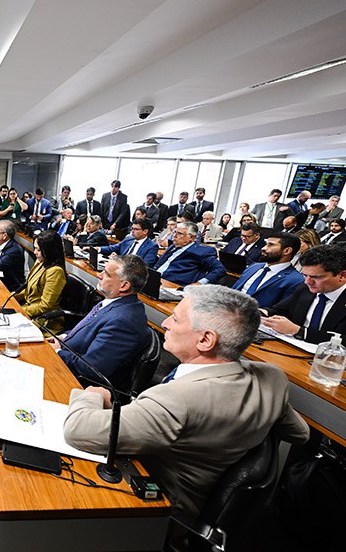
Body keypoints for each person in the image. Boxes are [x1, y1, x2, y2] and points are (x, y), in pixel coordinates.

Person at [63, 285, 309, 524]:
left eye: (176, 319)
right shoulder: (273, 378)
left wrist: (94, 396)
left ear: (205, 340)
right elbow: (300, 433)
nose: (165, 323)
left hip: (162, 512)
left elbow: (78, 430)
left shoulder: (178, 400)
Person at [52, 255, 151, 392]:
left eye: (106, 274)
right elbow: (85, 330)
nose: (99, 275)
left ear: (124, 285)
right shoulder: (114, 302)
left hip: (78, 383)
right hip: (68, 357)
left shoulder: (123, 321)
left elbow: (91, 369)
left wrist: (57, 351)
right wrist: (62, 338)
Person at [263, 245, 346, 346]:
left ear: (343, 275)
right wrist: (257, 313)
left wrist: (301, 332)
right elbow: (280, 310)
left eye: (316, 277)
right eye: (305, 275)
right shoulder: (306, 288)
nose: (307, 281)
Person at [15, 230, 67, 334]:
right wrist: (11, 298)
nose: (35, 252)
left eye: (38, 250)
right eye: (35, 248)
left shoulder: (55, 271)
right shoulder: (40, 262)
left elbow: (45, 306)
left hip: (44, 320)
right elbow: (28, 288)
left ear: (49, 251)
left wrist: (21, 311)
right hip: (29, 310)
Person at [232, 232, 303, 307]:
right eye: (266, 244)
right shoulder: (254, 267)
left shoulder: (295, 280)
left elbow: (280, 311)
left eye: (271, 245)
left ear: (287, 251)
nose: (263, 248)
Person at [153, 222, 226, 285]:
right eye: (175, 232)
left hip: (173, 285)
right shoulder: (173, 246)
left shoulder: (201, 252)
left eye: (179, 234)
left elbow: (220, 269)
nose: (174, 236)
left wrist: (200, 283)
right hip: (155, 280)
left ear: (191, 237)